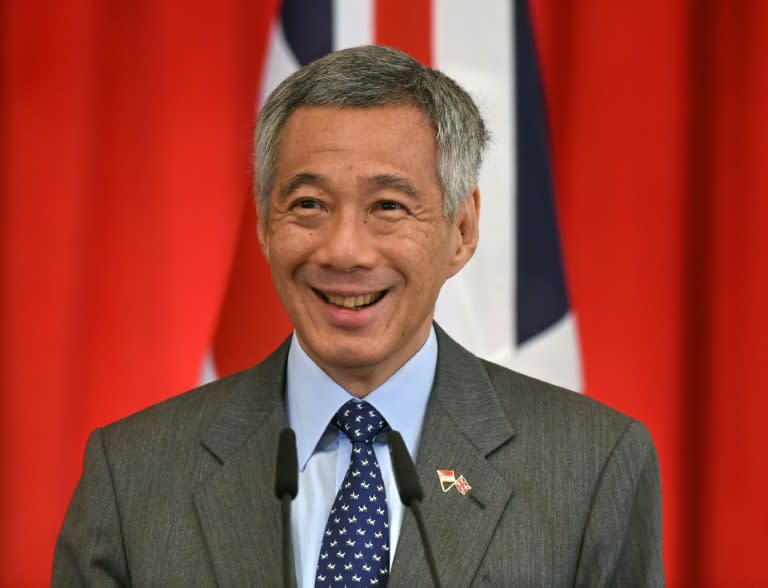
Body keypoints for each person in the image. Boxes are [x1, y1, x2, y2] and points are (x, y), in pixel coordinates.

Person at [53, 46, 663, 586]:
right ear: (266, 225)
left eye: (389, 206)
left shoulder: (592, 468)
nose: (344, 250)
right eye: (310, 204)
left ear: (462, 229)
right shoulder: (132, 474)